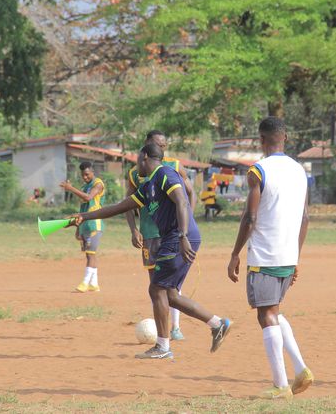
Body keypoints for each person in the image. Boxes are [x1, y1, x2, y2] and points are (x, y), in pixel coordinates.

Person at [73, 144, 232, 360]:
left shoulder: (165, 174)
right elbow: (119, 207)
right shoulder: (148, 186)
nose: (135, 164)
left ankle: (162, 347)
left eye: (137, 159)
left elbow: (182, 201)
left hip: (178, 237)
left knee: (157, 289)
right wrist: (84, 216)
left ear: (145, 157)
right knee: (170, 294)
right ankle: (217, 323)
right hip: (175, 237)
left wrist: (183, 236)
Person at [227, 117, 313, 400]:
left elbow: (250, 217)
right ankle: (301, 370)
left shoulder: (258, 171)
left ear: (261, 140)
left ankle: (280, 385)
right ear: (285, 137)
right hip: (288, 254)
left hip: (265, 255)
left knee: (266, 316)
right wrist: (296, 256)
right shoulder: (299, 170)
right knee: (274, 312)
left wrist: (235, 253)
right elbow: (305, 218)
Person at [125, 130, 195, 341]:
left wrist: (187, 225)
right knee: (155, 284)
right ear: (147, 146)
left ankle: (175, 327)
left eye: (164, 145)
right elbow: (127, 203)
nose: (163, 149)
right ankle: (162, 331)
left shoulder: (174, 166)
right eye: (159, 145)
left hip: (172, 233)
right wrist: (134, 229)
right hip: (149, 233)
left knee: (171, 284)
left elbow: (189, 193)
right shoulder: (136, 172)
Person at [60, 162, 105, 293]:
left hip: (94, 223)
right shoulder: (85, 186)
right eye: (83, 175)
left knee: (91, 253)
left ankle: (85, 283)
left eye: (87, 174)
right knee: (89, 254)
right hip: (85, 224)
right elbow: (82, 209)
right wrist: (78, 228)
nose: (85, 177)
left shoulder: (98, 184)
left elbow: (88, 197)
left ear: (92, 172)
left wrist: (70, 188)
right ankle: (94, 284)